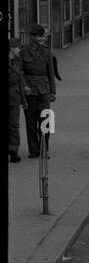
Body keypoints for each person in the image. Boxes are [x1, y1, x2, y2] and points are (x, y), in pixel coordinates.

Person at [18, 24, 60, 157]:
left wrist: (53, 91)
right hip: (30, 90)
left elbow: (50, 72)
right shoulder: (23, 51)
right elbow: (20, 72)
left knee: (46, 120)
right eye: (39, 36)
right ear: (32, 37)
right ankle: (33, 150)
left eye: (43, 36)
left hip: (44, 89)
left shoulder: (47, 51)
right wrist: (24, 87)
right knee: (30, 122)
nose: (42, 39)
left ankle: (44, 148)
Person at [8, 42, 27, 163]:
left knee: (14, 125)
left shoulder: (17, 62)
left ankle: (14, 150)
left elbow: (20, 82)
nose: (19, 50)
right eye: (17, 47)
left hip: (14, 97)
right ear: (11, 49)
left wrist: (24, 100)